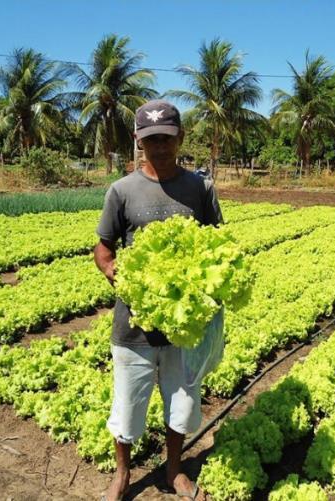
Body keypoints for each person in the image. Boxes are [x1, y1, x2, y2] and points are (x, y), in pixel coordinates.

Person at [94, 99, 221, 501]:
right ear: (138, 141)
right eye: (151, 140)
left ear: (180, 137)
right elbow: (103, 248)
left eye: (166, 138)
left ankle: (174, 471)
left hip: (185, 326)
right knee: (128, 404)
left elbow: (217, 246)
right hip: (134, 324)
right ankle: (122, 474)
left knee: (181, 401)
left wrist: (206, 289)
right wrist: (119, 274)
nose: (160, 147)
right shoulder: (122, 190)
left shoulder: (200, 188)